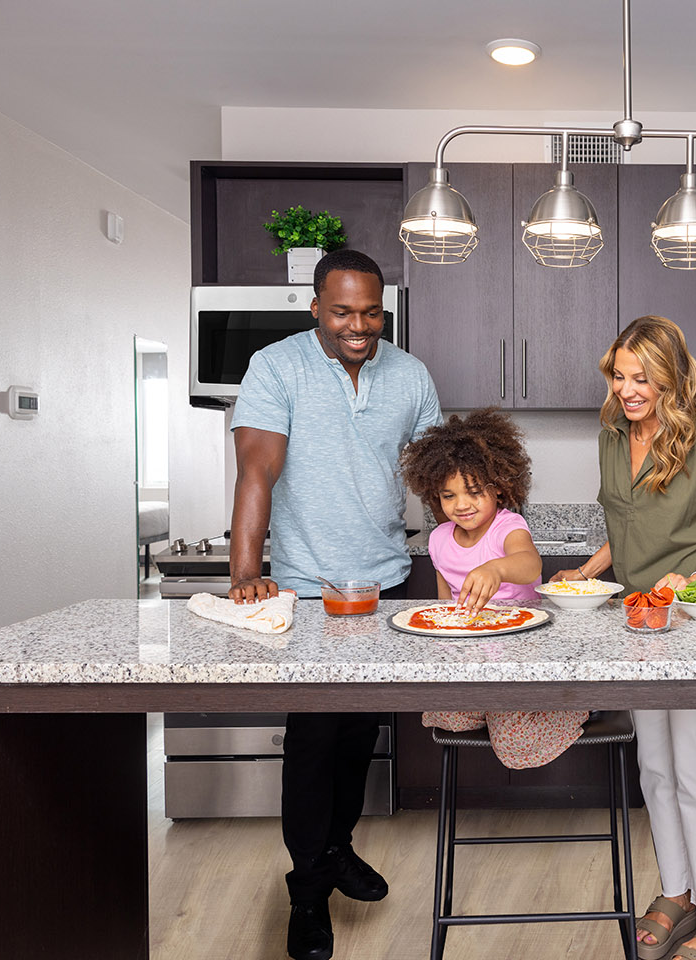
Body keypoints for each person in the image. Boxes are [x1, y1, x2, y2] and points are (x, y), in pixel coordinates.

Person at [228, 248, 441, 960]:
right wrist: (245, 571)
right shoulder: (277, 366)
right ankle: (307, 891)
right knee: (315, 742)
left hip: (383, 582)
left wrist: (478, 553)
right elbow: (258, 468)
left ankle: (336, 847)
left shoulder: (409, 376)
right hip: (308, 586)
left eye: (372, 312)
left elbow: (439, 480)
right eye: (343, 311)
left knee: (358, 734)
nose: (359, 325)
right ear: (315, 305)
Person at [551, 316, 696, 960]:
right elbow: (628, 525)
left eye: (642, 377)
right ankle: (679, 894)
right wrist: (585, 571)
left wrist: (689, 582)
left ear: (672, 375)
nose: (628, 389)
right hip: (640, 622)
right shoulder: (614, 436)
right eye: (619, 375)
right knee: (655, 764)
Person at [399, 407, 590, 768]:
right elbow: (446, 608)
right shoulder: (440, 539)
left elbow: (530, 563)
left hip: (521, 659)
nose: (462, 505)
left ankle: (578, 704)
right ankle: (499, 712)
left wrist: (496, 568)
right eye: (448, 495)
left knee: (515, 747)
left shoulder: (508, 526)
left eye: (473, 491)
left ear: (499, 486)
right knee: (442, 714)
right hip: (473, 661)